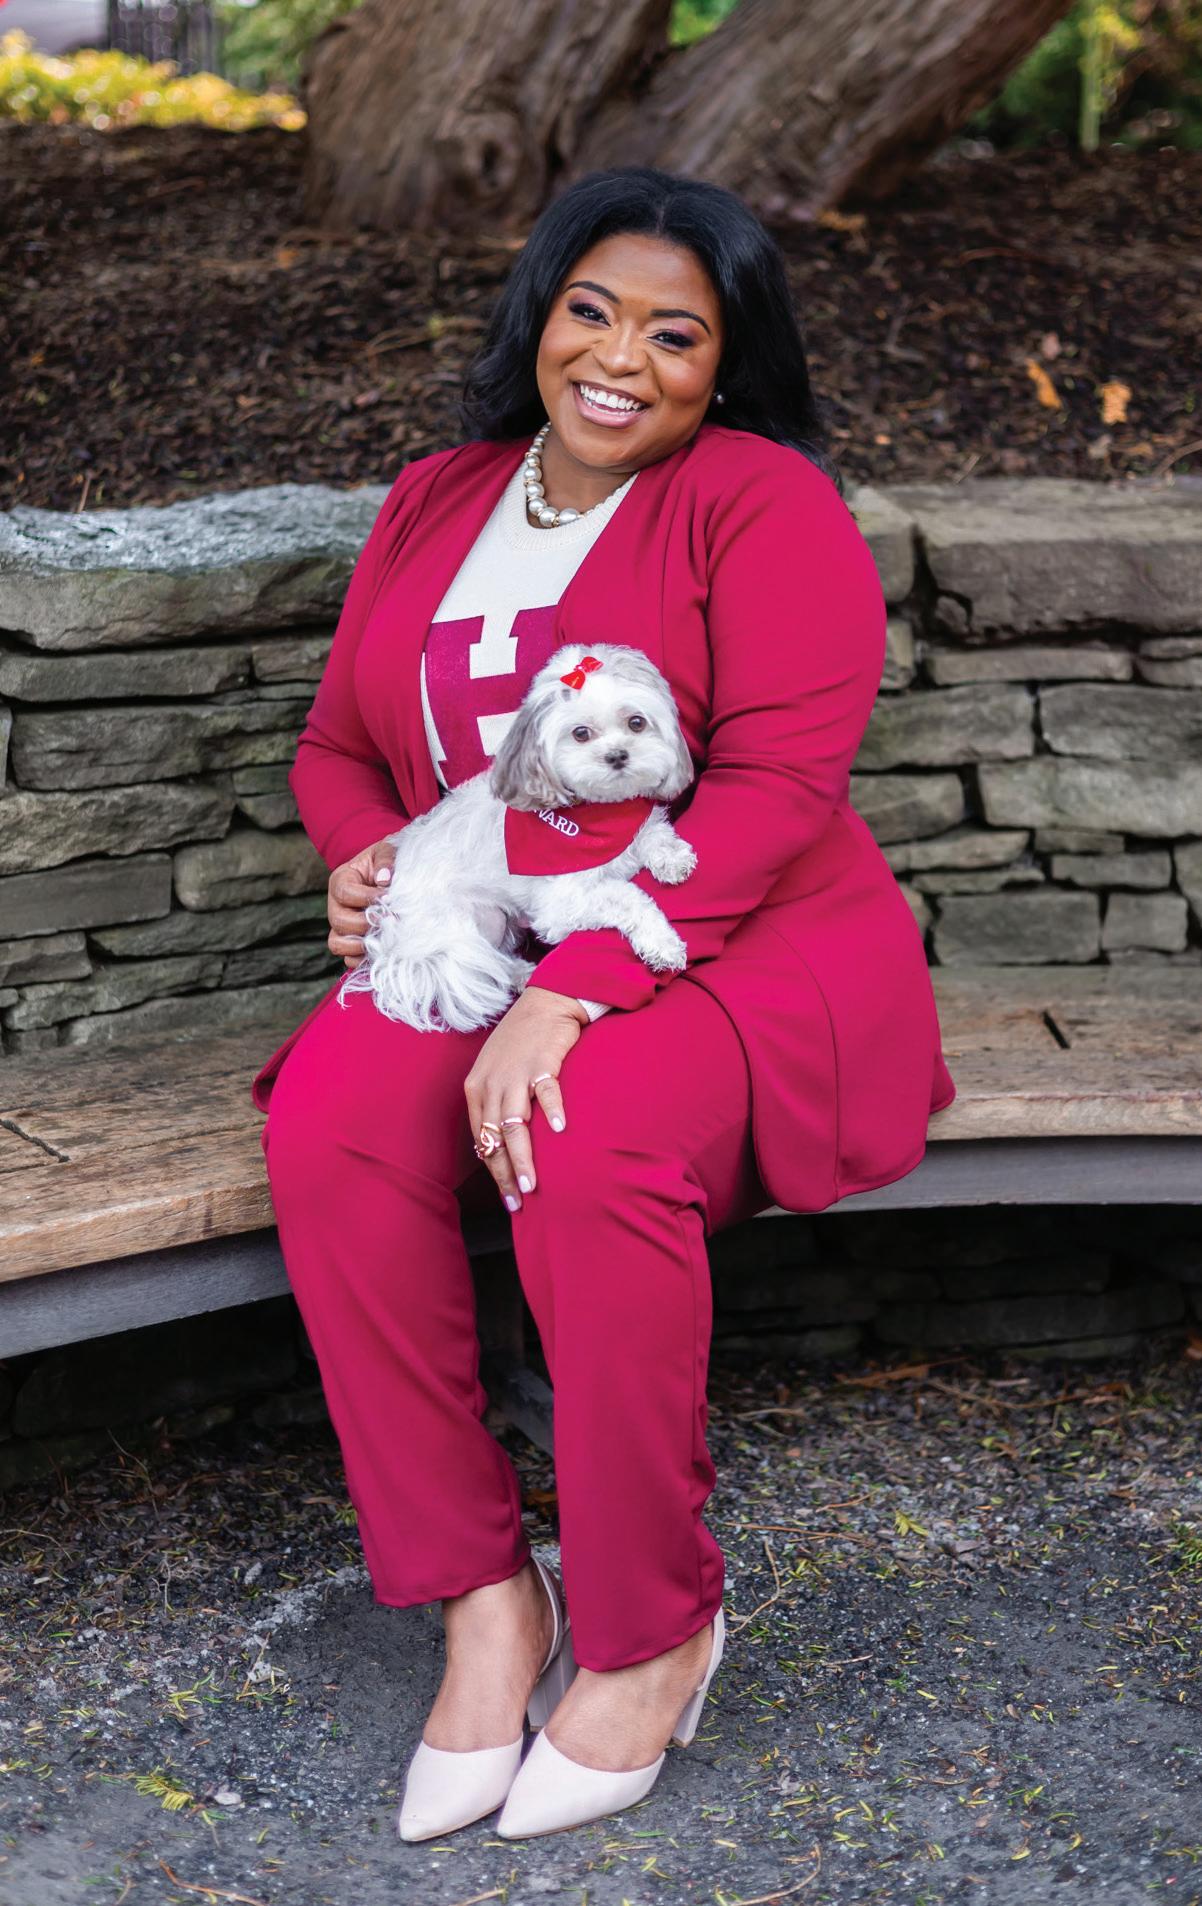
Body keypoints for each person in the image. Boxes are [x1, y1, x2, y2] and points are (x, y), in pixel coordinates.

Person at [249, 164, 957, 1842]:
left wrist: (569, 993)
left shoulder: (758, 500)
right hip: (479, 934)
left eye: (674, 332)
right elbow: (339, 744)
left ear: (726, 361)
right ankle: (486, 1597)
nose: (619, 357)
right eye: (591, 310)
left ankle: (651, 1622)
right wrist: (365, 859)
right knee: (332, 1128)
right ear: (540, 314)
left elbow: (775, 789)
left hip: (729, 939)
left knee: (575, 1136)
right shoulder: (437, 497)